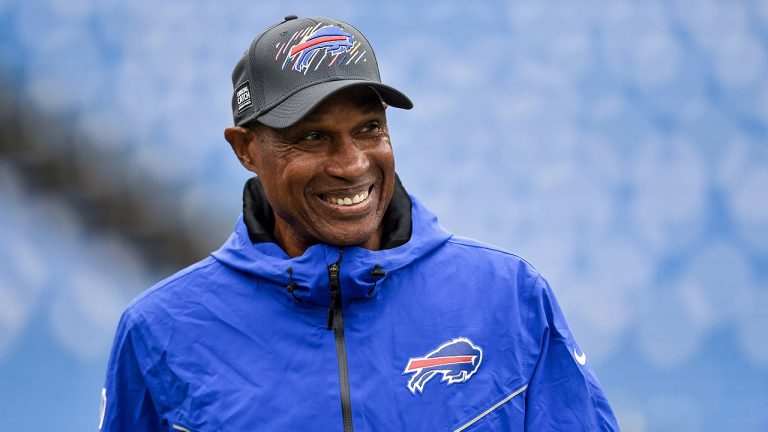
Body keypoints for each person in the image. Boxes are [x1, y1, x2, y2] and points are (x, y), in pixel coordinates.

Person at [100, 15, 620, 431]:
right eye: (311, 137)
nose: (351, 164)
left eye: (369, 129)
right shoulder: (159, 331)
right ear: (246, 150)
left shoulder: (508, 297)